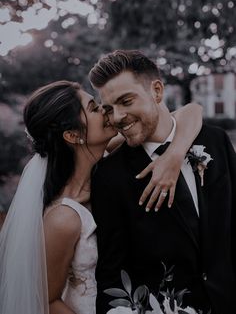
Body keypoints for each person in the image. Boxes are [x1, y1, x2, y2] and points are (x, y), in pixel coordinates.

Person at [0, 80, 202, 314]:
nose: (107, 111)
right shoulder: (63, 218)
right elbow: (48, 300)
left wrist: (174, 154)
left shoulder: (109, 159)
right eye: (94, 108)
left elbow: (191, 111)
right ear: (73, 135)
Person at [89, 50, 236, 314]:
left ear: (157, 91)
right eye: (109, 109)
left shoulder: (216, 141)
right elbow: (112, 275)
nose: (118, 116)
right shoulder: (109, 177)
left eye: (126, 101)